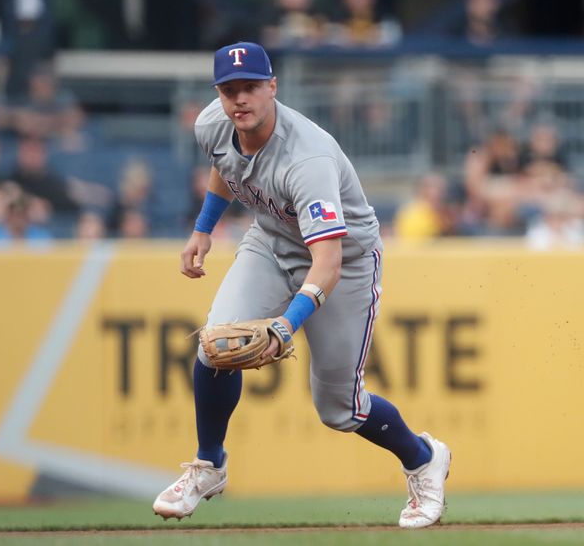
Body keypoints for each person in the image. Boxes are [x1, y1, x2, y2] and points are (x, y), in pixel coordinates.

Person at [152, 42, 451, 529]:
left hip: (346, 260)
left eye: (250, 87)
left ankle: (423, 458)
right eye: (229, 90)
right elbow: (227, 165)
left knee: (339, 408)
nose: (240, 99)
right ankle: (209, 466)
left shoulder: (305, 158)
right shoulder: (213, 121)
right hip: (270, 240)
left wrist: (285, 326)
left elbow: (327, 262)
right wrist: (204, 228)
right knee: (217, 345)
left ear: (273, 86)